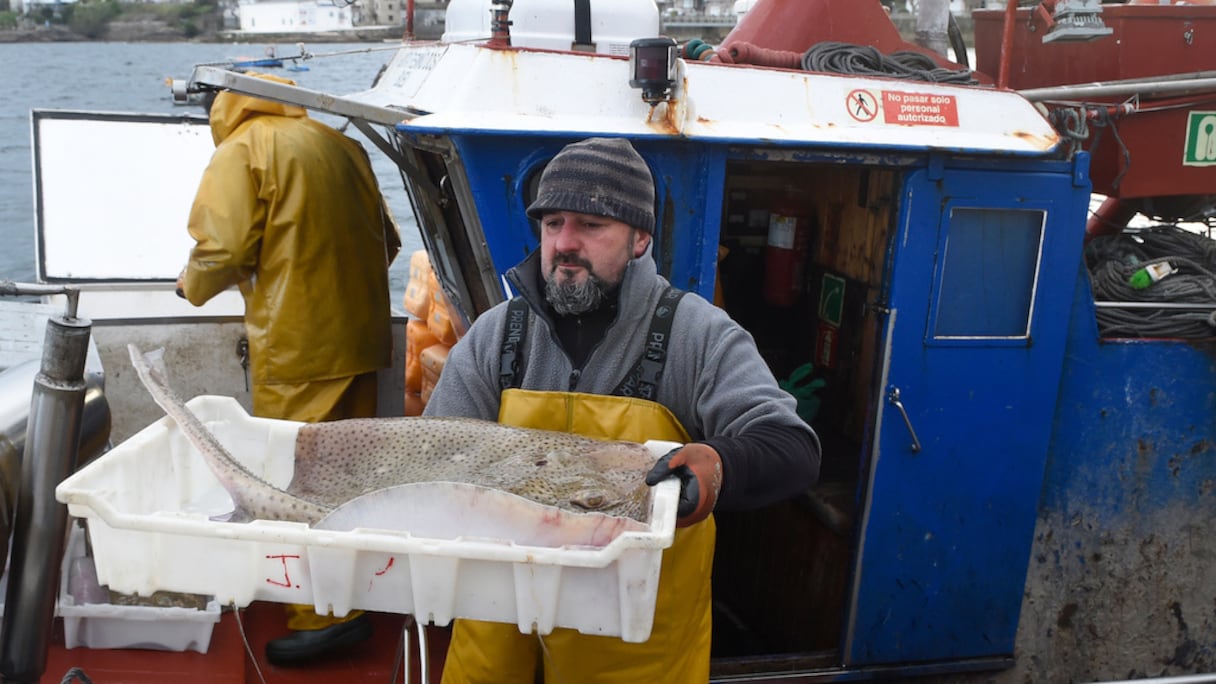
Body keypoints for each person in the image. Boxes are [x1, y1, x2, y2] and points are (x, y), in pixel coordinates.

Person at [423, 137, 820, 682]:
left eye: (591, 225)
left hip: (634, 637)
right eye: (553, 222)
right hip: (498, 619)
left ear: (640, 239)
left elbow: (790, 445)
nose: (565, 243)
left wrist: (716, 464)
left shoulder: (695, 334)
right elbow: (434, 450)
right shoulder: (500, 335)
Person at [176, 73, 402, 665]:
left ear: (225, 106)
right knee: (351, 477)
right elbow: (391, 242)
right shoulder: (342, 146)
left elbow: (220, 249)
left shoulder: (243, 149)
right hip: (361, 338)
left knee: (293, 479)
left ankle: (322, 617)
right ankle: (356, 591)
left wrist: (190, 287)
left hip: (299, 347)